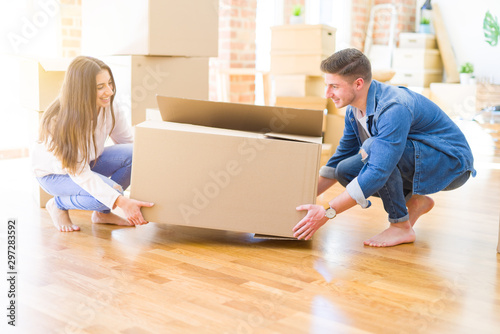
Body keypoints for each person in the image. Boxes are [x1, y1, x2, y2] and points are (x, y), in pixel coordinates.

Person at [293, 48, 476, 247]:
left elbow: (380, 169)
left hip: (451, 164)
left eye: (334, 86)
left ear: (358, 83)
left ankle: (400, 226)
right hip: (420, 159)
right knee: (344, 170)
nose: (327, 93)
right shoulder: (354, 111)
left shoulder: (393, 107)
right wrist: (298, 198)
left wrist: (327, 212)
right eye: (327, 85)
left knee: (374, 149)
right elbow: (339, 159)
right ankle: (414, 201)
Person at [32, 56, 154, 232]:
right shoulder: (60, 121)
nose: (110, 91)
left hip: (88, 163)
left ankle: (102, 214)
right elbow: (80, 173)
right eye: (100, 87)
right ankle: (58, 204)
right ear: (81, 90)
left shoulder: (109, 106)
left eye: (109, 83)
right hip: (55, 175)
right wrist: (122, 202)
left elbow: (127, 144)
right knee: (109, 195)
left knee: (135, 154)